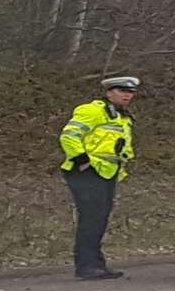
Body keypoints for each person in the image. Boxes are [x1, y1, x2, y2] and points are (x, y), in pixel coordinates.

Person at [60, 75, 140, 280]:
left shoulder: (121, 116)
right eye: (122, 91)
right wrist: (82, 161)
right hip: (88, 172)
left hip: (107, 172)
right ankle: (86, 266)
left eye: (130, 92)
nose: (127, 95)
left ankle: (95, 264)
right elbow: (69, 136)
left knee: (98, 220)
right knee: (91, 219)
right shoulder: (92, 110)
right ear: (109, 92)